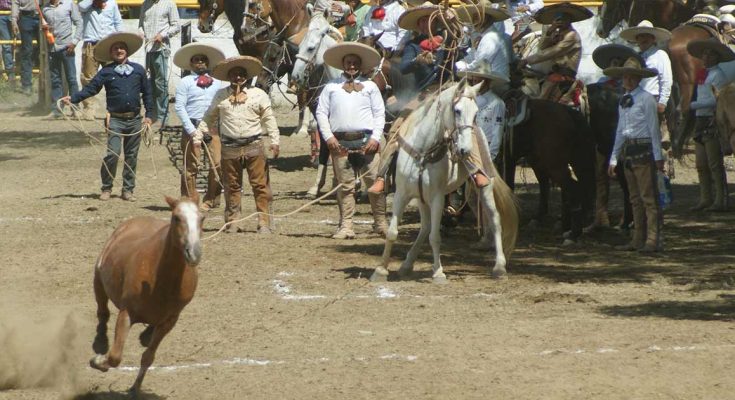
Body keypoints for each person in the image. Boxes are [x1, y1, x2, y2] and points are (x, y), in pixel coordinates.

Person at [62, 32, 154, 202]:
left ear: (127, 51)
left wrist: (149, 115)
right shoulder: (106, 71)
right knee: (112, 153)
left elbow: (148, 94)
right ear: (111, 53)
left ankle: (128, 189)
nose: (119, 51)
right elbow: (91, 89)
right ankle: (106, 187)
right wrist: (73, 98)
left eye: (122, 48)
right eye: (115, 49)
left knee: (131, 156)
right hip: (115, 120)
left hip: (135, 119)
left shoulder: (139, 70)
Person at [197, 56, 280, 234]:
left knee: (260, 185)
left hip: (254, 145)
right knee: (231, 185)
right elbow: (208, 117)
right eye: (234, 74)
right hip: (230, 147)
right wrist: (198, 136)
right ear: (229, 77)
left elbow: (269, 118)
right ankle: (233, 221)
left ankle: (263, 222)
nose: (238, 78)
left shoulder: (259, 94)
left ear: (247, 76)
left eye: (241, 74)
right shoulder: (221, 96)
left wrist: (274, 140)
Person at [316, 42, 388, 239]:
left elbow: (379, 114)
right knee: (345, 186)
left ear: (360, 65)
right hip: (341, 144)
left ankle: (381, 223)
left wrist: (375, 137)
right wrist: (328, 137)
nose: (352, 66)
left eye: (355, 63)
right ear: (342, 64)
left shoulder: (371, 86)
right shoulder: (331, 87)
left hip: (367, 142)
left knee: (374, 184)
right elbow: (321, 113)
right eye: (348, 63)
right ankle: (346, 226)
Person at [605, 57, 664, 253]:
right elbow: (620, 130)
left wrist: (658, 156)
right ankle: (637, 238)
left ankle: (653, 239)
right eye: (625, 77)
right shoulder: (623, 100)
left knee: (648, 198)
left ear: (639, 79)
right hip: (628, 152)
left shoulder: (646, 99)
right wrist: (613, 158)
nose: (628, 80)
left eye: (632, 77)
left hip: (644, 149)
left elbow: (654, 128)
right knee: (634, 198)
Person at [588, 44, 643, 231]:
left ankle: (628, 217)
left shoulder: (628, 93)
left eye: (618, 63)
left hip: (620, 140)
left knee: (625, 180)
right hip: (601, 139)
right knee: (599, 179)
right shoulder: (595, 89)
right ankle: (600, 215)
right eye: (613, 63)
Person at [173, 43, 225, 211]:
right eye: (197, 60)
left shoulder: (217, 83)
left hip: (213, 127)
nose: (200, 63)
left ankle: (212, 197)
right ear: (191, 64)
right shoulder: (185, 82)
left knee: (217, 163)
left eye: (203, 60)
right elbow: (179, 107)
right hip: (192, 126)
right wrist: (191, 130)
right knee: (191, 166)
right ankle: (188, 198)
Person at [686, 38, 733, 212]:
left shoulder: (718, 75)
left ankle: (721, 199)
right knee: (701, 163)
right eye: (704, 53)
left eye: (709, 53)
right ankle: (706, 198)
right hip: (700, 119)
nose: (705, 56)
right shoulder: (703, 74)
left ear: (716, 57)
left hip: (712, 120)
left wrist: (692, 106)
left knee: (714, 163)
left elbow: (716, 100)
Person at [520, 2, 591, 102]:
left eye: (564, 19)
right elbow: (542, 47)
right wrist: (549, 32)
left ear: (570, 20)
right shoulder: (556, 33)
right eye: (558, 19)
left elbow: (553, 52)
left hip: (564, 74)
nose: (560, 21)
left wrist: (527, 60)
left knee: (541, 100)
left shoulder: (572, 35)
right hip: (551, 71)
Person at [620, 20, 673, 148]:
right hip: (635, 99)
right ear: (636, 40)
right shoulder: (636, 57)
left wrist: (663, 102)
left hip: (652, 99)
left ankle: (661, 164)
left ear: (652, 38)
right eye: (640, 37)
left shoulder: (660, 55)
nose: (642, 39)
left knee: (656, 136)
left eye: (646, 36)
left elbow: (666, 79)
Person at [78, 0, 123, 120]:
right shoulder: (86, 4)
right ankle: (89, 108)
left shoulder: (112, 4)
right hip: (91, 44)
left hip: (109, 43)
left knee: (114, 75)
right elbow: (81, 7)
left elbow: (117, 22)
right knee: (88, 78)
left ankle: (115, 108)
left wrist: (120, 40)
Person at [139, 0, 180, 126]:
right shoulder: (145, 4)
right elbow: (141, 24)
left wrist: (163, 35)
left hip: (161, 49)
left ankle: (163, 117)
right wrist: (140, 34)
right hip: (149, 48)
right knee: (150, 82)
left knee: (160, 83)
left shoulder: (169, 4)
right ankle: (152, 114)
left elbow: (176, 26)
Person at [454, 0, 512, 84]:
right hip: (485, 78)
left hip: (495, 82)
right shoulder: (483, 36)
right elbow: (473, 56)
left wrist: (461, 68)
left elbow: (480, 63)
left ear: (487, 18)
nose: (474, 21)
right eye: (474, 17)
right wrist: (458, 64)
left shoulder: (491, 37)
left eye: (478, 17)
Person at [42, 0, 82, 118]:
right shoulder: (45, 9)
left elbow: (79, 22)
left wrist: (74, 42)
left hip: (67, 47)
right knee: (55, 79)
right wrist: (44, 28)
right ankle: (57, 109)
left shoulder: (69, 4)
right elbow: (45, 29)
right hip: (52, 48)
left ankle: (75, 108)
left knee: (71, 79)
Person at [11, 0, 39, 94]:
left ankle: (48, 83)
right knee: (27, 51)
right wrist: (14, 20)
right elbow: (15, 3)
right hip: (26, 17)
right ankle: (26, 84)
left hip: (42, 16)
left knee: (47, 50)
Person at [0, 0, 16, 87]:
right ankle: (10, 73)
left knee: (19, 44)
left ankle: (12, 73)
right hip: (1, 14)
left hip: (15, 13)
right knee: (6, 45)